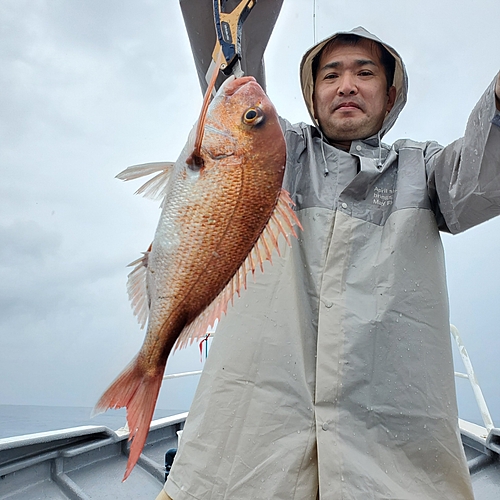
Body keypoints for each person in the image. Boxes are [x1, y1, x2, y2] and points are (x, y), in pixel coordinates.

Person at [157, 26, 500, 500]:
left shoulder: (425, 169)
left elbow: (483, 176)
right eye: (330, 75)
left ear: (390, 92)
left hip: (393, 465)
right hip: (247, 453)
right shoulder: (274, 155)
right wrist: (229, 31)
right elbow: (231, 92)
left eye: (365, 72)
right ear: (311, 93)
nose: (347, 86)